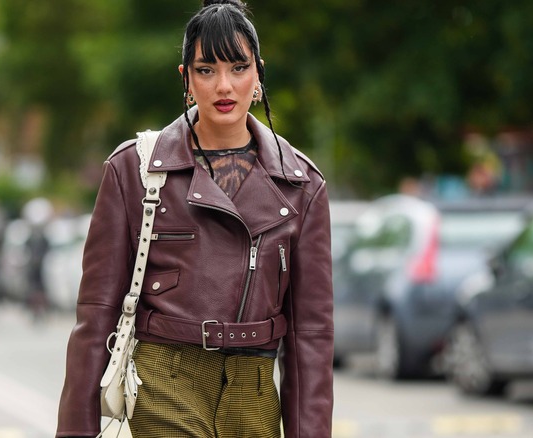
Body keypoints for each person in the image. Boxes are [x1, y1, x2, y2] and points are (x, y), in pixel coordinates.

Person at [57, 1, 333, 436]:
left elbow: (311, 338)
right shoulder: (134, 170)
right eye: (206, 70)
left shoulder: (302, 184)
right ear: (185, 78)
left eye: (238, 67)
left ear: (258, 75)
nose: (224, 85)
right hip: (165, 379)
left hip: (255, 393)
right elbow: (96, 316)